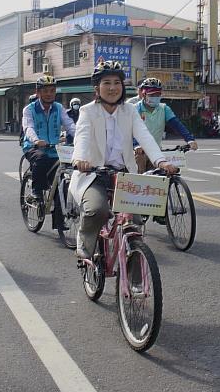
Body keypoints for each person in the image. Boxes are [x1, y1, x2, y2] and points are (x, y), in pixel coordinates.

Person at [69, 61, 178, 260]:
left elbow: (145, 136)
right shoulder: (87, 111)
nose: (112, 88)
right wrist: (80, 159)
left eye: (117, 82)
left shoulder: (130, 110)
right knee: (97, 210)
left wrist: (161, 161)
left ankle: (135, 281)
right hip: (94, 174)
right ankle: (85, 240)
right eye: (106, 83)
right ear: (97, 88)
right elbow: (82, 137)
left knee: (135, 223)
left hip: (124, 175)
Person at [21, 75, 76, 209]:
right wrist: (36, 140)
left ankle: (61, 221)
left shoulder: (59, 108)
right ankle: (36, 191)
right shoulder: (29, 109)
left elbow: (70, 125)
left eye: (52, 90)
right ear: (38, 92)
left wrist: (80, 138)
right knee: (41, 158)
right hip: (33, 147)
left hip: (55, 149)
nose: (49, 94)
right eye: (45, 91)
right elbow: (28, 127)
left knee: (61, 179)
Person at [133, 77, 198, 173]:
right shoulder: (135, 109)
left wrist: (189, 139)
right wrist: (136, 145)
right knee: (139, 178)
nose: (155, 97)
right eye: (152, 95)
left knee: (159, 179)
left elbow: (177, 125)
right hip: (138, 151)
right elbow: (130, 130)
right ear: (144, 94)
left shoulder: (164, 109)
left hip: (156, 150)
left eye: (158, 94)